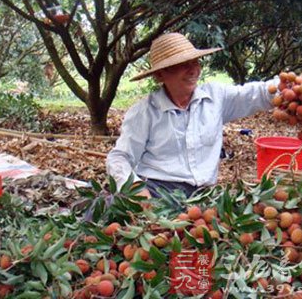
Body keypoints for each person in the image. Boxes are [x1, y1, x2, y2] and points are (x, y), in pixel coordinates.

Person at [106, 33, 278, 198]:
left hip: (202, 195)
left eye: (195, 62)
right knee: (107, 210)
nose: (193, 70)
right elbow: (119, 157)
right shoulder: (145, 112)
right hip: (158, 190)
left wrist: (287, 87)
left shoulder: (216, 98)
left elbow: (258, 94)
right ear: (160, 75)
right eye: (182, 64)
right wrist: (134, 187)